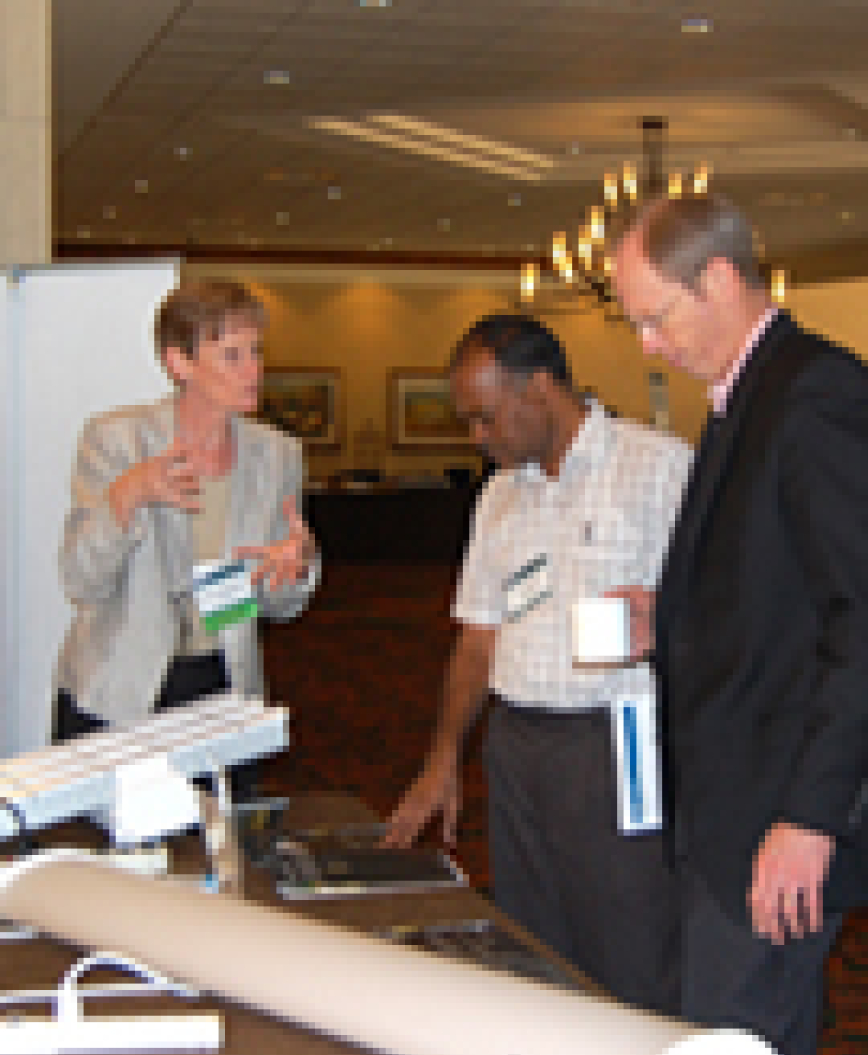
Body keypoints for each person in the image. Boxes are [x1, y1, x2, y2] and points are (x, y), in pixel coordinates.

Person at [611, 193, 868, 1055]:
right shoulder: (751, 395)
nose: (649, 347)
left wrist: (809, 817)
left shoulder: (818, 395)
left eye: (655, 317)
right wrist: (666, 621)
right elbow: (773, 595)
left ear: (718, 280)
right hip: (733, 804)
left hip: (779, 812)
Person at [383, 314, 692, 1016]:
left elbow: (727, 612)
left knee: (631, 947)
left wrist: (669, 622)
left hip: (618, 743)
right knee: (534, 945)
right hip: (518, 745)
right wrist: (443, 760)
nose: (477, 437)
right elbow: (475, 639)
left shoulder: (659, 467)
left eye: (485, 417)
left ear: (540, 389)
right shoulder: (499, 495)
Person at [54, 279, 320, 797]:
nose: (254, 370)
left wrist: (298, 565)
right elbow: (81, 579)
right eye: (232, 355)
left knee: (221, 861)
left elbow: (280, 604)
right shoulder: (116, 440)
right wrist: (128, 494)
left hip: (223, 689)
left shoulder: (277, 454)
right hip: (122, 691)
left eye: (257, 352)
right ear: (180, 362)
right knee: (118, 869)